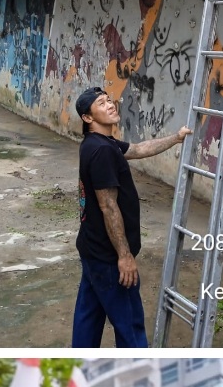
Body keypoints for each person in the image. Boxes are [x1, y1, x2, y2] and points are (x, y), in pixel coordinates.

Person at [73, 87, 191, 348]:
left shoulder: (101, 143)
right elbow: (108, 206)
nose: (110, 104)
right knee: (130, 327)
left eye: (108, 100)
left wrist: (176, 138)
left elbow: (137, 149)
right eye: (101, 103)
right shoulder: (102, 151)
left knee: (88, 320)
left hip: (92, 249)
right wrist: (124, 256)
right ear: (88, 118)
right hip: (108, 257)